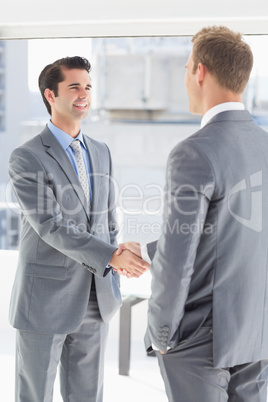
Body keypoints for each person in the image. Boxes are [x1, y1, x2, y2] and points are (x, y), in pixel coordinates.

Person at [118, 26, 268, 401]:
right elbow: (232, 230)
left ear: (199, 71)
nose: (186, 77)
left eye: (186, 68)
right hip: (257, 331)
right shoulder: (263, 143)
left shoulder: (194, 152)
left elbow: (180, 258)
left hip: (202, 341)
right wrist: (151, 251)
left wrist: (162, 335)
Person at [8, 56, 149, 402]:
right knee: (34, 394)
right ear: (50, 95)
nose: (83, 94)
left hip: (96, 296)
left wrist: (115, 257)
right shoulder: (27, 157)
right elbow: (49, 225)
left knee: (88, 395)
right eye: (74, 87)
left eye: (88, 86)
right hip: (45, 299)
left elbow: (107, 220)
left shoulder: (100, 152)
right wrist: (110, 256)